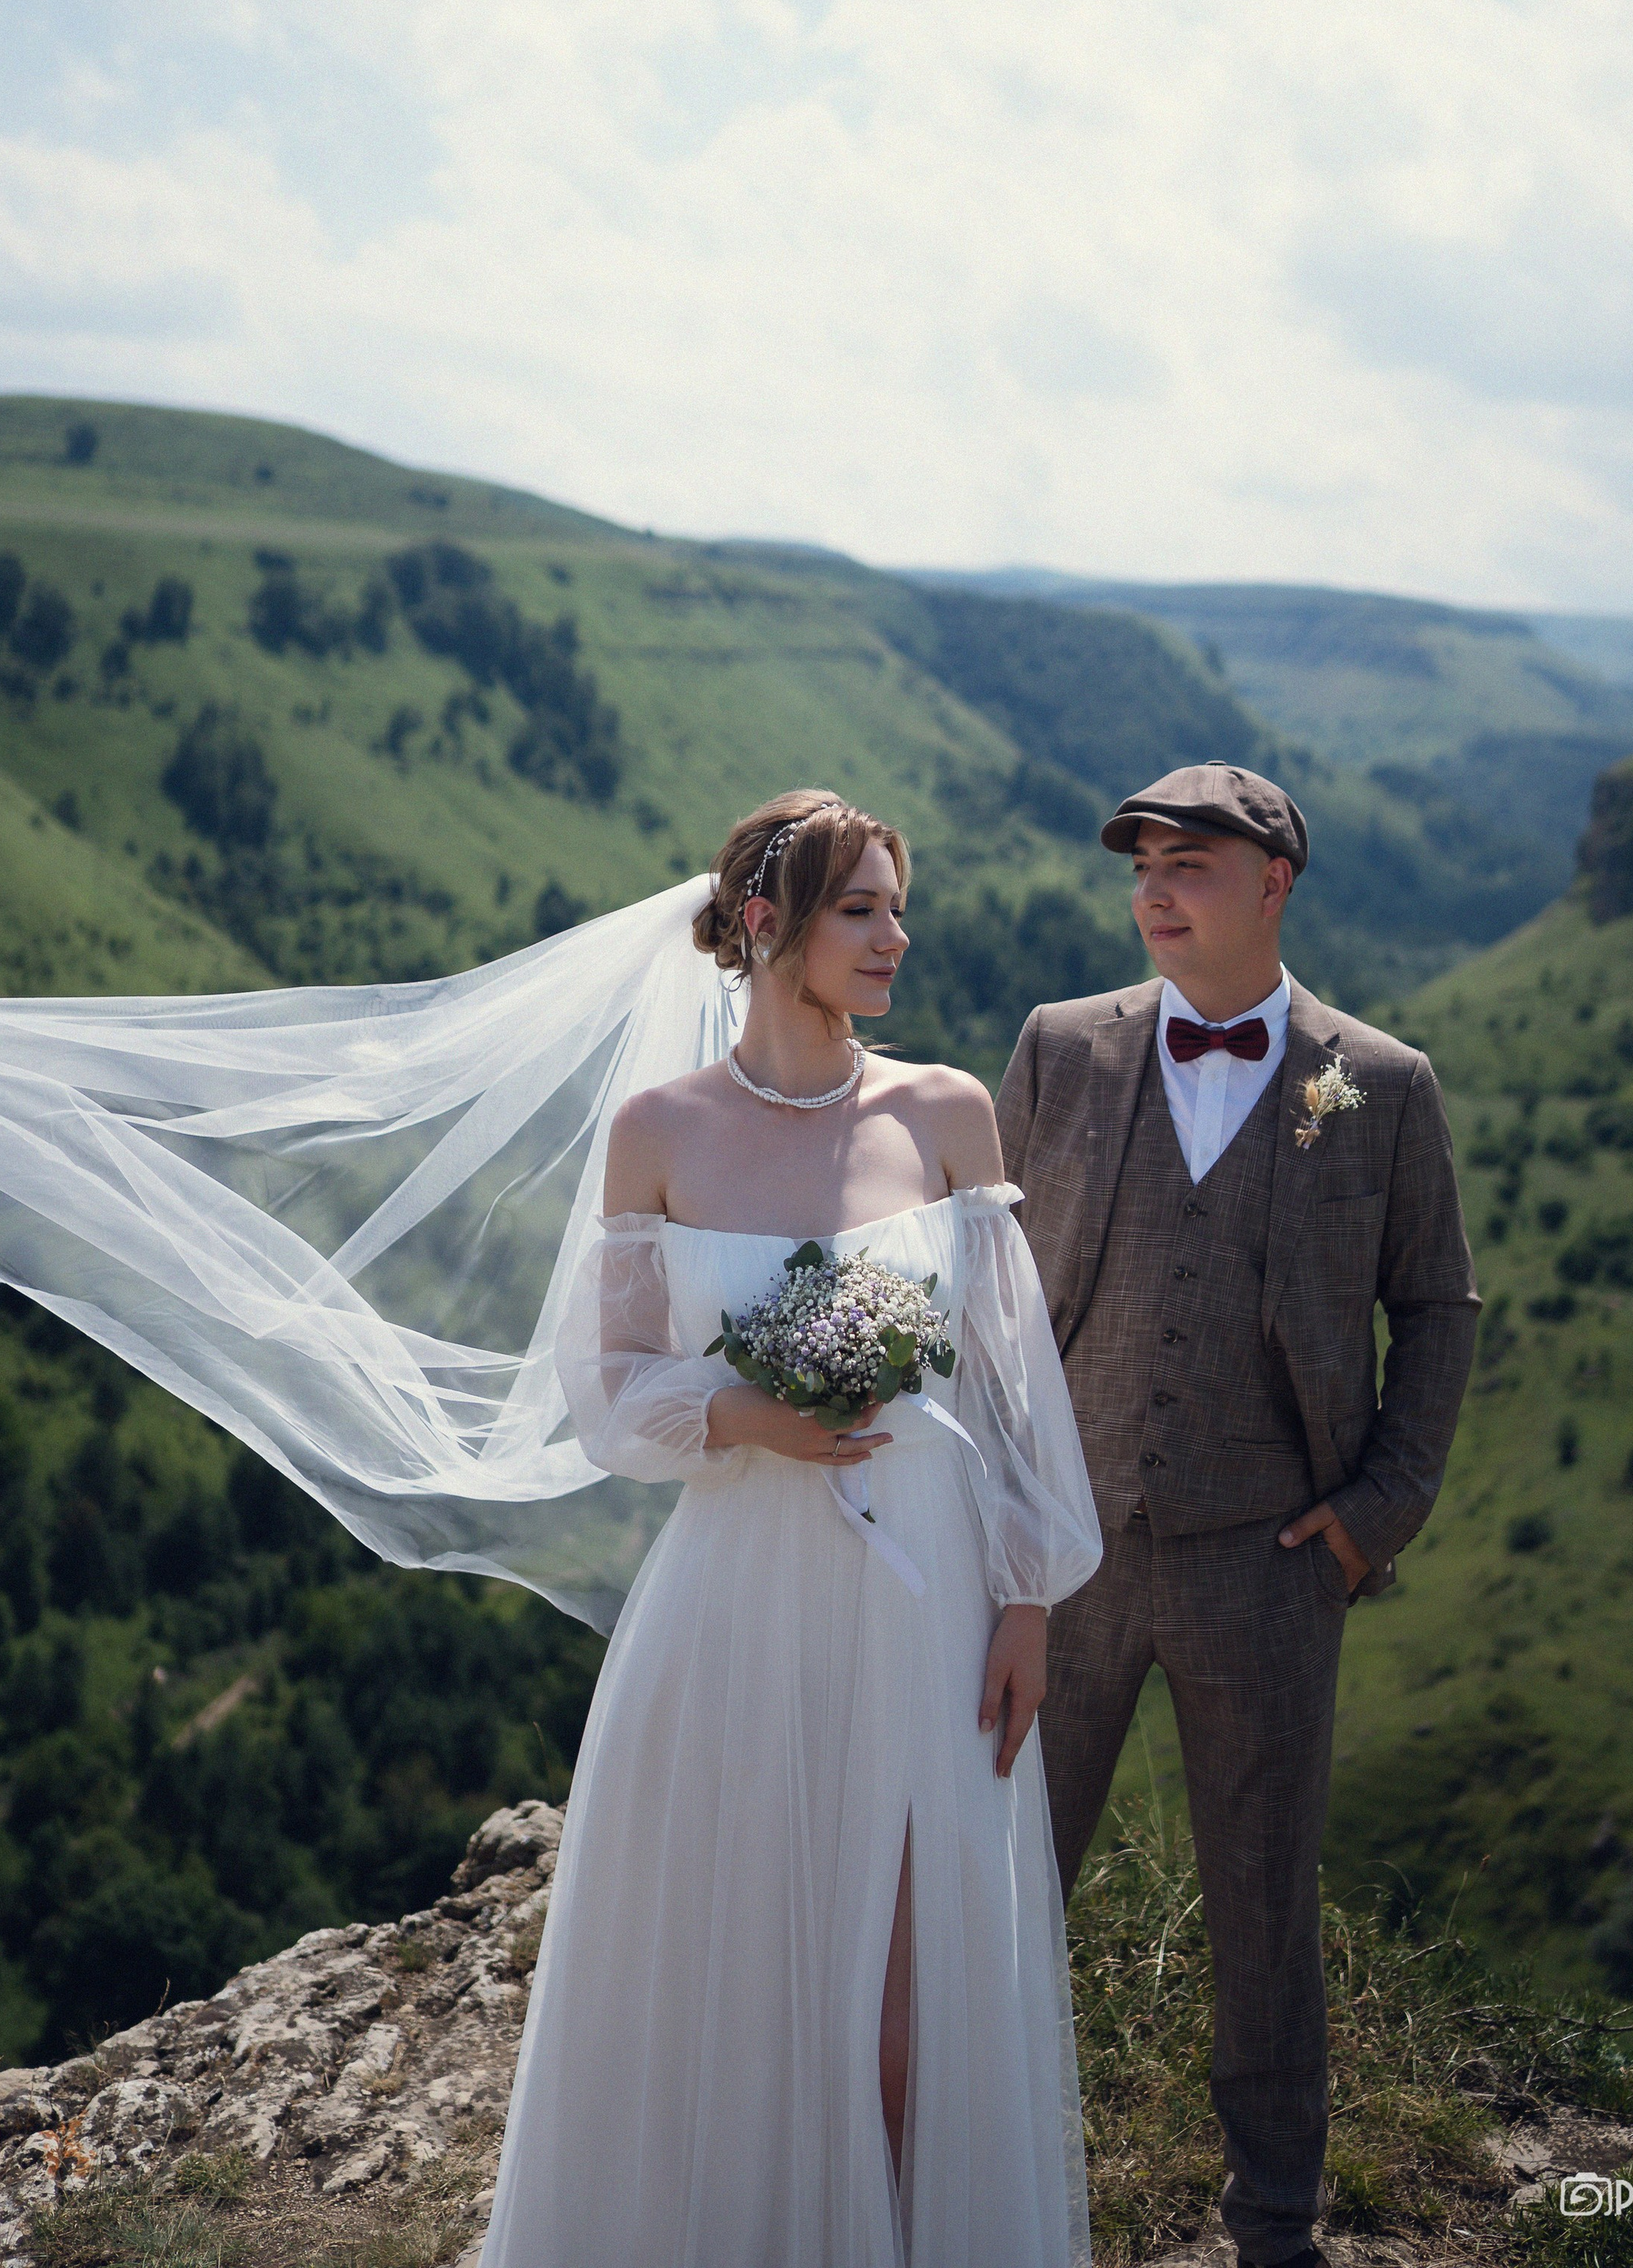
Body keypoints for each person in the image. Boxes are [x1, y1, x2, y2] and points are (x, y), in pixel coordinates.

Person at [479, 788, 1103, 2268]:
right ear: (767, 925)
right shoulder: (659, 1135)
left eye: (897, 905)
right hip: (739, 1601)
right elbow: (616, 1397)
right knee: (738, 1990)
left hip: (933, 1594)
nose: (897, 935)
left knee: (905, 2014)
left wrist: (1027, 1602)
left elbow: (1013, 1388)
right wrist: (749, 1414)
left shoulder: (947, 1113)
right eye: (862, 909)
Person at [994, 762, 1479, 2268]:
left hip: (1274, 1567)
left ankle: (1274, 2216)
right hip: (1056, 1560)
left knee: (1262, 1904)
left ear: (1276, 883)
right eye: (1142, 859)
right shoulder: (1060, 1049)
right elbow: (976, 1283)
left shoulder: (1381, 1084)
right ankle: (967, 2169)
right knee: (1002, 1877)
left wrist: (1372, 1516)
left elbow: (1438, 1311)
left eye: (1191, 862)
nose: (1154, 884)